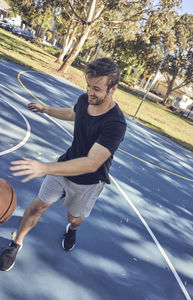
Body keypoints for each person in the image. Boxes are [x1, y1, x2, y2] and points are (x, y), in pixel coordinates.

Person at [0, 57, 126, 271]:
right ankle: (16, 243)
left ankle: (73, 228)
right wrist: (46, 109)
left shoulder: (115, 124)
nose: (90, 92)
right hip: (63, 167)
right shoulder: (85, 99)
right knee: (38, 206)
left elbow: (91, 163)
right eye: (88, 85)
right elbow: (73, 113)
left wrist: (44, 167)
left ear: (113, 89)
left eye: (96, 88)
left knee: (73, 217)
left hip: (88, 181)